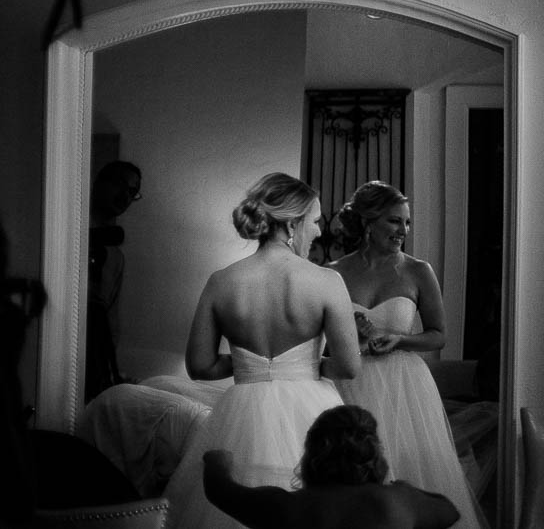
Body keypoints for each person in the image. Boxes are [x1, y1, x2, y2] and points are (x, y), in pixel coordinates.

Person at [161, 172, 362, 529]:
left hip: (241, 411)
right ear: (292, 223)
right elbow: (348, 366)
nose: (318, 231)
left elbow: (200, 367)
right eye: (314, 222)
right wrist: (305, 365)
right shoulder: (326, 281)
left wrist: (248, 364)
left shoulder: (221, 281)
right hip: (312, 410)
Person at [328, 182, 487, 529]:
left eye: (407, 222)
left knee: (406, 471)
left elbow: (438, 335)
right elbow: (324, 342)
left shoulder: (418, 271)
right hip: (349, 384)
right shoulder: (333, 272)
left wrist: (397, 339)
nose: (404, 231)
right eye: (394, 221)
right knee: (353, 477)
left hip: (405, 387)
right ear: (368, 222)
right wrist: (349, 335)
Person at [202, 404, 459, 529]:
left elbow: (218, 488)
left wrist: (218, 461)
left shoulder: (286, 506)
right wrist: (405, 488)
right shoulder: (398, 500)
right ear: (373, 451)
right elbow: (450, 512)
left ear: (313, 452)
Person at [86, 160, 142, 401]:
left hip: (93, 362)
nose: (125, 196)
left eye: (132, 192)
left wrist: (110, 370)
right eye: (120, 184)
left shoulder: (115, 257)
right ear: (98, 182)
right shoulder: (66, 231)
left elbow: (111, 318)